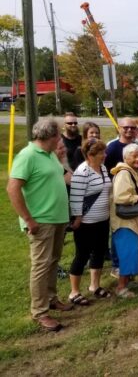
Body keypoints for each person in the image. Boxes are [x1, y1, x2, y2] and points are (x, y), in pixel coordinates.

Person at [7, 118, 72, 332]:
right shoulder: (27, 156)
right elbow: (13, 189)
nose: (60, 139)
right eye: (59, 135)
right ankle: (40, 311)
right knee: (41, 266)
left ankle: (52, 298)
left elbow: (64, 178)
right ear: (51, 136)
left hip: (57, 218)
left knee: (53, 261)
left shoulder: (51, 155)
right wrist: (28, 219)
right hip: (40, 221)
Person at [68, 139, 112, 305]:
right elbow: (76, 197)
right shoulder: (82, 171)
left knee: (99, 252)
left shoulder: (102, 168)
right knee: (82, 254)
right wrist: (77, 218)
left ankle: (95, 286)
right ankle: (74, 291)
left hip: (102, 219)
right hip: (86, 222)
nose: (104, 155)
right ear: (90, 155)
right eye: (101, 153)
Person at [110, 143, 138, 297]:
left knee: (132, 251)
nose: (137, 159)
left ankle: (127, 281)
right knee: (127, 253)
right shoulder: (124, 173)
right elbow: (120, 196)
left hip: (131, 220)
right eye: (133, 156)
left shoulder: (133, 172)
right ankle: (121, 288)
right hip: (124, 222)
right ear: (125, 158)